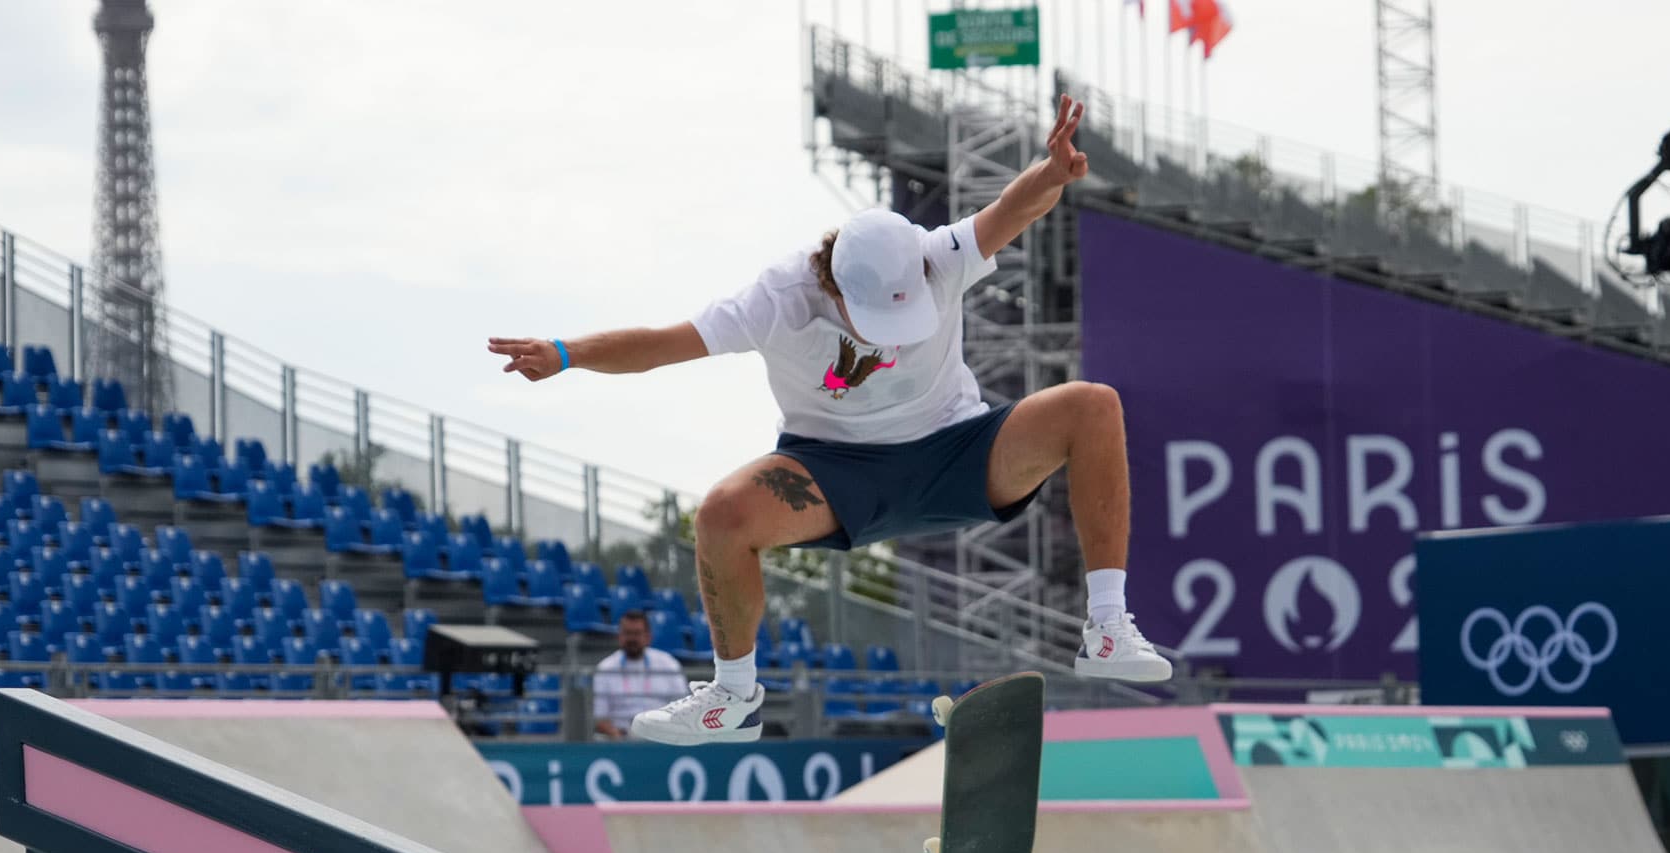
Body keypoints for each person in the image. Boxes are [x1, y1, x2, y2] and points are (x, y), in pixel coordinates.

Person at [490, 94, 1171, 747]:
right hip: (833, 471)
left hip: (958, 451)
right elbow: (663, 344)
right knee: (722, 515)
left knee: (1092, 405)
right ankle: (733, 696)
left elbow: (1013, 208)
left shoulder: (935, 256)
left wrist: (1053, 172)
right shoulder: (776, 300)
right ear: (832, 283)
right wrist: (564, 353)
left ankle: (1106, 625)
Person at [590, 610, 690, 740]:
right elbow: (600, 717)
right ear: (619, 636)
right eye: (627, 633)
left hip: (662, 736)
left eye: (637, 634)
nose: (632, 639)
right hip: (619, 738)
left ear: (648, 637)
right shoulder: (605, 668)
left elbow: (682, 709)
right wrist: (617, 735)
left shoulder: (668, 664)